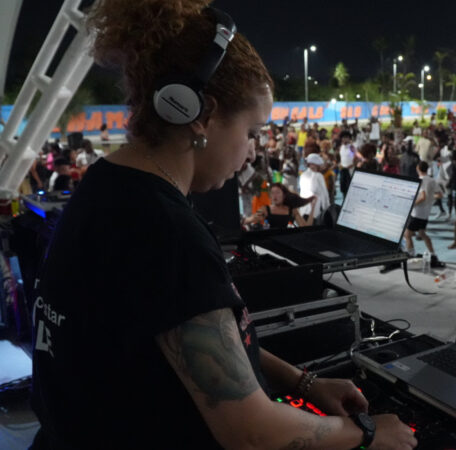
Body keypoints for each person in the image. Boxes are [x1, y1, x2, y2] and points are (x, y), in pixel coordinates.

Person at [31, 2, 415, 449]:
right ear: (198, 114)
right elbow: (250, 433)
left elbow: (206, 345)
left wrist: (304, 383)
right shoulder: (166, 232)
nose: (252, 151)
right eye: (252, 132)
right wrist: (367, 435)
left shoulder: (108, 185)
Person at [404, 162, 442, 264]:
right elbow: (439, 195)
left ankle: (410, 253)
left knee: (407, 234)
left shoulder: (420, 180)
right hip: (426, 213)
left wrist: (412, 204)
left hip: (417, 213)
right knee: (422, 233)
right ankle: (433, 254)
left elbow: (423, 196)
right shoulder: (432, 180)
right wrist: (431, 198)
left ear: (418, 168)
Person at [243, 183, 314, 229]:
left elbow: (305, 227)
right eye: (272, 193)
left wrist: (313, 208)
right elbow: (251, 219)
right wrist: (240, 222)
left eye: (277, 192)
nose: (275, 196)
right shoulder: (265, 209)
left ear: (284, 195)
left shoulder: (291, 210)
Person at [299, 153, 331, 222]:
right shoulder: (319, 176)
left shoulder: (302, 175)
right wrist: (328, 210)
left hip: (303, 210)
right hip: (314, 212)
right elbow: (325, 195)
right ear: (315, 164)